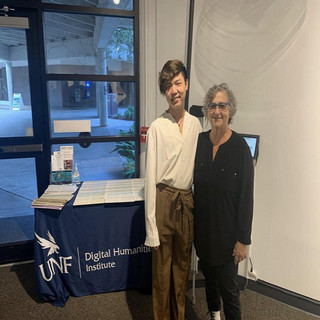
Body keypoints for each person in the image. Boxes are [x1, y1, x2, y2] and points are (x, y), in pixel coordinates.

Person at [144, 59, 202, 320]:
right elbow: (150, 180)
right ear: (164, 91)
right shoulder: (157, 127)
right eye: (168, 86)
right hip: (164, 200)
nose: (174, 90)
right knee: (161, 274)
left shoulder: (195, 125)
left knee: (181, 270)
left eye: (178, 83)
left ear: (186, 84)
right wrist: (151, 229)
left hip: (186, 202)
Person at [193, 83, 254, 320]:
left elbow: (247, 197)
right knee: (208, 280)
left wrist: (243, 240)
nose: (217, 111)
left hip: (228, 239)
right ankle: (214, 315)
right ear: (207, 110)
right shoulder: (199, 142)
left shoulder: (240, 148)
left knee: (229, 290)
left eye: (222, 105)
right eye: (212, 105)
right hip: (204, 233)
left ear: (230, 110)